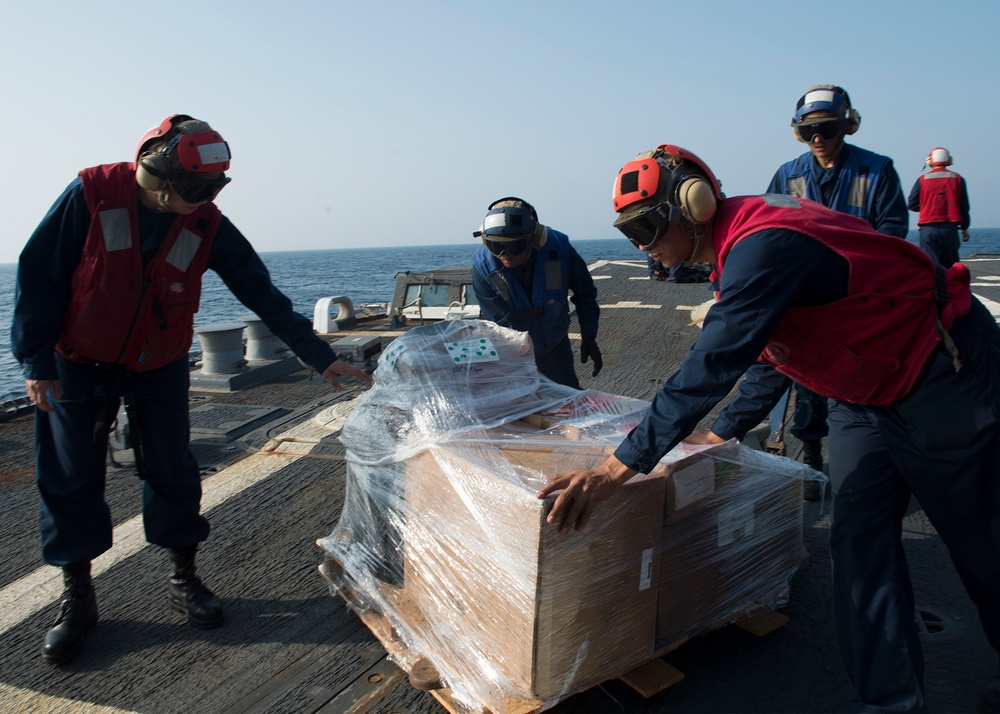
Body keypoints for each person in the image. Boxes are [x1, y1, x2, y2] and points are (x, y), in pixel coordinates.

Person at [538, 143, 1000, 713]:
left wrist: (615, 468)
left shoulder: (761, 245)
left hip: (937, 369)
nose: (645, 247)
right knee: (859, 542)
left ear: (695, 203)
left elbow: (711, 364)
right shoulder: (734, 253)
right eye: (632, 234)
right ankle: (889, 703)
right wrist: (724, 429)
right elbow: (772, 349)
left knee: (982, 543)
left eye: (649, 228)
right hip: (861, 389)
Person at [10, 114, 371, 665]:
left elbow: (260, 291)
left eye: (210, 192)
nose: (199, 203)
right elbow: (39, 275)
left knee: (173, 469)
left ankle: (184, 577)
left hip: (158, 363)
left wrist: (319, 357)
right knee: (68, 477)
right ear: (155, 172)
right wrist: (36, 361)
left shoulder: (205, 222)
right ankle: (77, 595)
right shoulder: (90, 195)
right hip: (76, 363)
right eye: (192, 190)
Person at [766, 84, 909, 483]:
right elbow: (769, 236)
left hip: (864, 306)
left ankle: (883, 458)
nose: (818, 140)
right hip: (811, 308)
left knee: (872, 385)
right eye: (810, 132)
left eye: (827, 130)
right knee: (809, 387)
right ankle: (811, 454)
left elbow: (893, 233)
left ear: (846, 127)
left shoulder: (876, 170)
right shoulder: (787, 175)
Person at [471, 197, 602, 389]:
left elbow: (585, 294)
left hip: (554, 344)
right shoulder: (483, 269)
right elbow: (499, 321)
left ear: (535, 238)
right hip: (513, 349)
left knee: (566, 396)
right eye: (496, 247)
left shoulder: (560, 249)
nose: (505, 255)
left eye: (514, 246)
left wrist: (589, 336)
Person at [908, 147, 971, 267]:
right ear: (949, 160)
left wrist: (926, 208)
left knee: (930, 265)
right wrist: (964, 227)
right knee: (951, 266)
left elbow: (911, 203)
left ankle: (935, 286)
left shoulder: (922, 180)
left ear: (929, 161)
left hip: (928, 229)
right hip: (950, 228)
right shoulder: (958, 179)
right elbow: (964, 206)